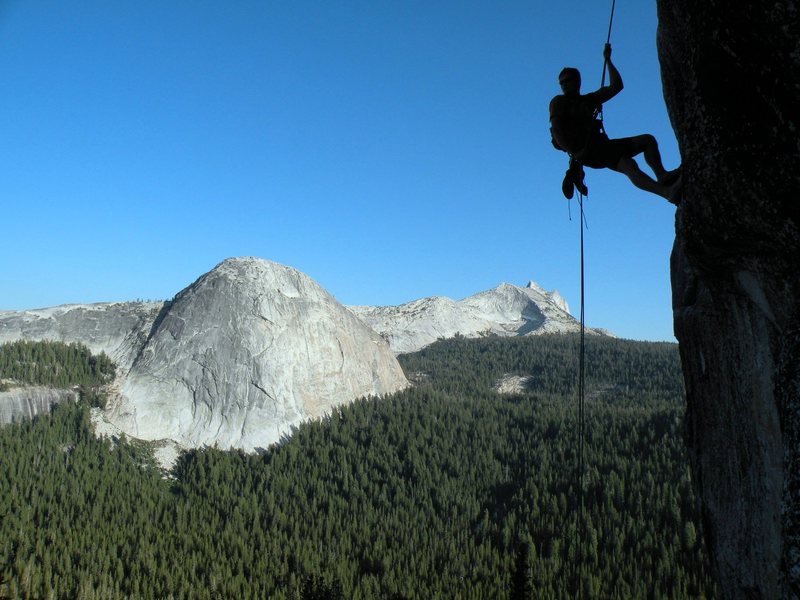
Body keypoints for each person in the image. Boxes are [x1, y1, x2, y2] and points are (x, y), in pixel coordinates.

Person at [549, 44, 681, 203]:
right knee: (628, 165)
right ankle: (666, 192)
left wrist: (608, 60)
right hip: (589, 151)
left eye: (567, 81)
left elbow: (617, 86)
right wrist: (575, 152)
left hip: (599, 145)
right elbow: (557, 130)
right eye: (561, 82)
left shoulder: (589, 100)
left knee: (647, 141)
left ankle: (662, 177)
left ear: (577, 81)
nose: (564, 85)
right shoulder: (558, 102)